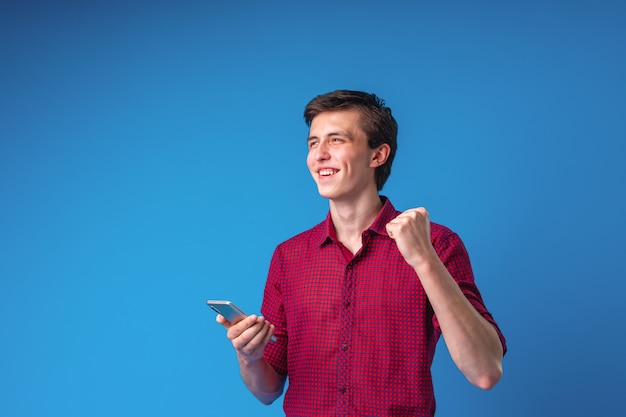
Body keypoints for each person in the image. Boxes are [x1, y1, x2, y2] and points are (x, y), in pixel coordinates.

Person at [216, 90, 507, 416]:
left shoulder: (436, 244)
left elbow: (485, 372)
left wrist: (423, 260)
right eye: (313, 143)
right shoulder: (289, 256)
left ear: (377, 155)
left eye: (336, 140)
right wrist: (248, 356)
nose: (319, 155)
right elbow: (267, 391)